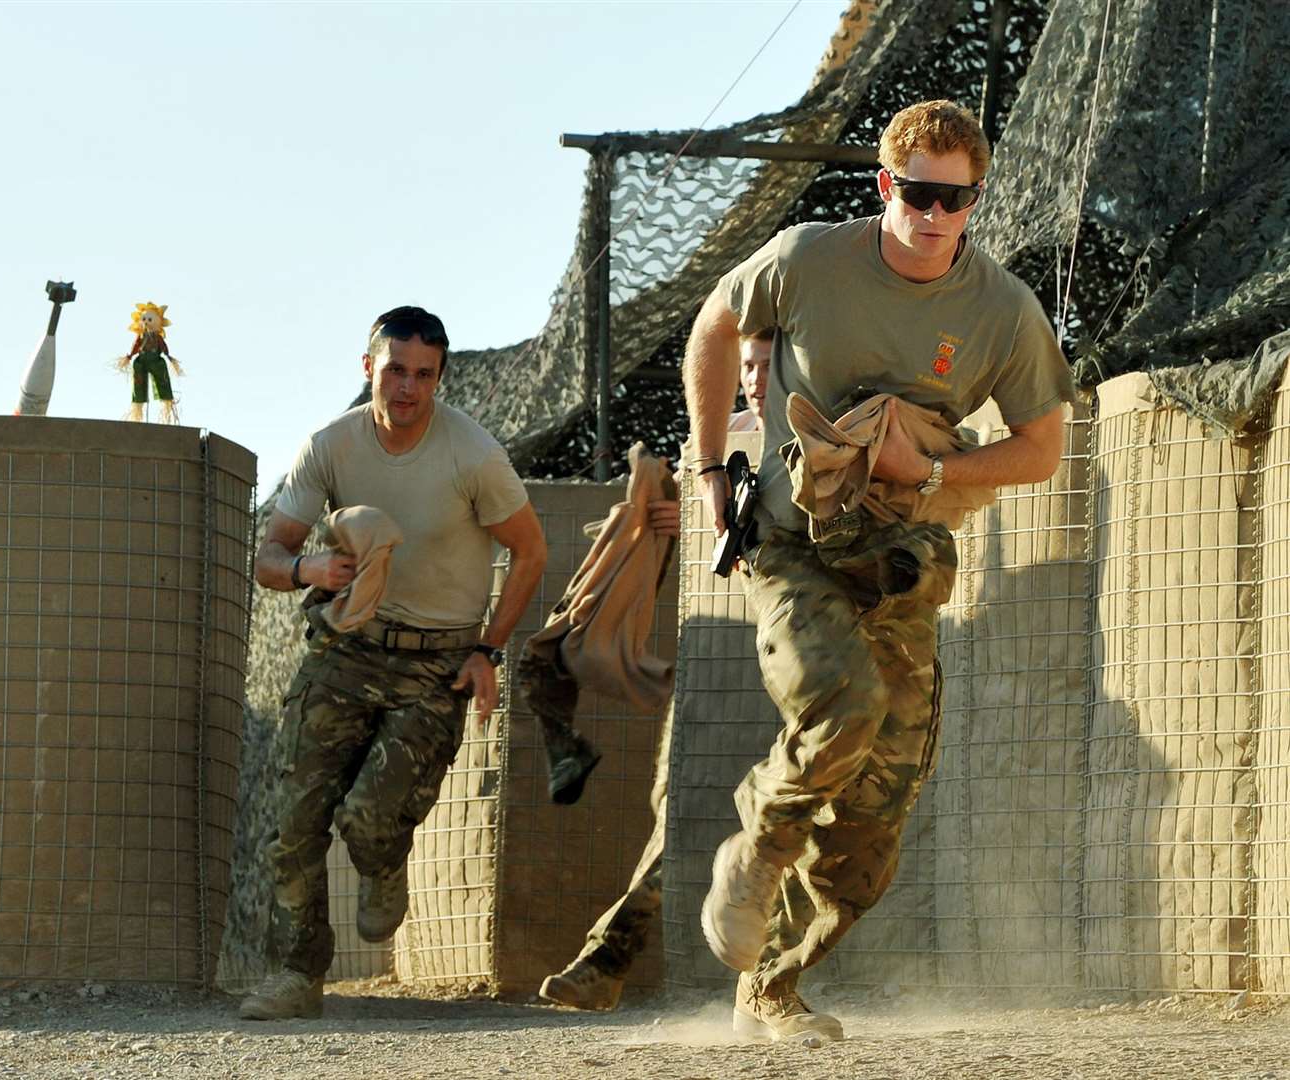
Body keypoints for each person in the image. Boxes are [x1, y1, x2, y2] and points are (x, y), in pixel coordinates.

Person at [684, 100, 1073, 1041]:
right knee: (838, 706)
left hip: (902, 563)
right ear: (883, 185)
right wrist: (707, 468)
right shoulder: (809, 257)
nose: (933, 215)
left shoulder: (1000, 310)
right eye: (917, 193)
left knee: (876, 814)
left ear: (975, 201)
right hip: (790, 546)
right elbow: (712, 327)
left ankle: (770, 986)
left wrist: (930, 470)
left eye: (956, 198)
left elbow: (1040, 449)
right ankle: (754, 848)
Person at [240, 306, 548, 1021]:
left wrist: (485, 650)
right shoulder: (330, 446)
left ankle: (383, 864)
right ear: (367, 368)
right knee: (293, 817)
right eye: (394, 371)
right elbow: (269, 556)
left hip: (433, 663)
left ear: (438, 378)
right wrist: (307, 567)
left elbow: (529, 551)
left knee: (370, 818)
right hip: (346, 648)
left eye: (423, 375)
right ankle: (294, 974)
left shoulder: (472, 455)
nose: (407, 388)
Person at [538, 330, 771, 1011]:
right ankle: (606, 963)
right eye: (745, 365)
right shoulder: (715, 448)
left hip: (798, 668)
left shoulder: (814, 434)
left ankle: (757, 984)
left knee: (781, 823)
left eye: (766, 364)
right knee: (679, 812)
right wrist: (673, 521)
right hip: (716, 666)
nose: (754, 377)